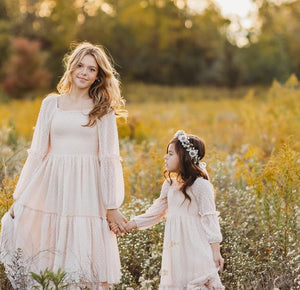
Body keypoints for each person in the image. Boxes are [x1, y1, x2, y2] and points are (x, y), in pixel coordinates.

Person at [0, 42, 128, 289]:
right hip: (52, 185)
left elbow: (109, 159)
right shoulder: (51, 104)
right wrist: (20, 196)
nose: (84, 72)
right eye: (80, 65)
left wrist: (111, 205)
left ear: (98, 76)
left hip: (87, 191)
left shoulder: (103, 110)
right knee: (41, 242)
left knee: (82, 253)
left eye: (91, 69)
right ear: (71, 67)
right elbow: (37, 153)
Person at [123, 130, 225, 289]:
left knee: (197, 283)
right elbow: (155, 212)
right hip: (176, 250)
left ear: (184, 157)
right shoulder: (169, 185)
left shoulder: (201, 186)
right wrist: (130, 224)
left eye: (170, 154)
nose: (165, 157)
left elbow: (209, 218)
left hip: (196, 247)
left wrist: (216, 251)